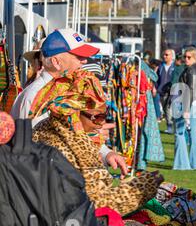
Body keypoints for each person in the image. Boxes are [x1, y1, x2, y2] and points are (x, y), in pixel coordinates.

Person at [31, 70, 164, 216]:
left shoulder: (47, 128)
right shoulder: (72, 145)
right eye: (97, 117)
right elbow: (98, 206)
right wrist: (144, 186)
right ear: (73, 113)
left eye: (105, 116)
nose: (101, 123)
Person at [11, 28, 128, 178]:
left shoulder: (69, 91)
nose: (85, 61)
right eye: (79, 56)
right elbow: (40, 149)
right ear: (56, 62)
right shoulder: (36, 96)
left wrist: (107, 153)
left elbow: (77, 134)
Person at [172, 47, 196, 170]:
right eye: (185, 57)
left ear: (194, 57)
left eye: (189, 57)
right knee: (193, 133)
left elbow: (190, 90)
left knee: (181, 132)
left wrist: (186, 109)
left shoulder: (192, 70)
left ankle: (183, 163)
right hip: (195, 102)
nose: (186, 59)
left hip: (190, 103)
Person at [136, 56, 165, 170]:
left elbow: (155, 77)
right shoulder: (142, 65)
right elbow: (155, 77)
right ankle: (140, 162)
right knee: (144, 131)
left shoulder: (140, 65)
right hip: (141, 102)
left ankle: (140, 162)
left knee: (143, 132)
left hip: (141, 102)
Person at [157, 49, 175, 133]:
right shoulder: (160, 66)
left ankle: (171, 127)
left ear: (171, 56)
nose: (165, 56)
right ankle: (170, 126)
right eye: (164, 55)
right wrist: (156, 88)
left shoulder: (175, 66)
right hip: (162, 92)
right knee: (165, 110)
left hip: (172, 92)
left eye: (167, 55)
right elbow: (157, 78)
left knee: (169, 109)